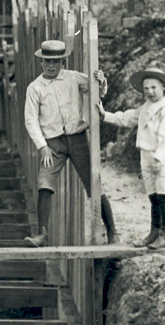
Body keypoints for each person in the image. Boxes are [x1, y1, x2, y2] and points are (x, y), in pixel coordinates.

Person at [20, 38, 115, 247]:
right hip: (53, 144)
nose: (51, 66)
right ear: (41, 63)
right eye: (47, 62)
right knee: (44, 183)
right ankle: (42, 234)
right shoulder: (35, 88)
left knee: (94, 183)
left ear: (63, 62)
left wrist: (101, 81)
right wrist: (42, 146)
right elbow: (30, 119)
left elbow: (95, 91)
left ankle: (113, 233)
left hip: (78, 138)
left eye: (56, 62)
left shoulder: (74, 78)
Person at [102, 67, 165, 250]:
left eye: (154, 87)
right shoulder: (146, 108)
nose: (150, 92)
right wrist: (105, 115)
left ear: (163, 88)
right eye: (146, 88)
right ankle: (154, 231)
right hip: (145, 155)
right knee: (153, 196)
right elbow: (128, 118)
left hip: (161, 156)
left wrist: (159, 157)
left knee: (163, 195)